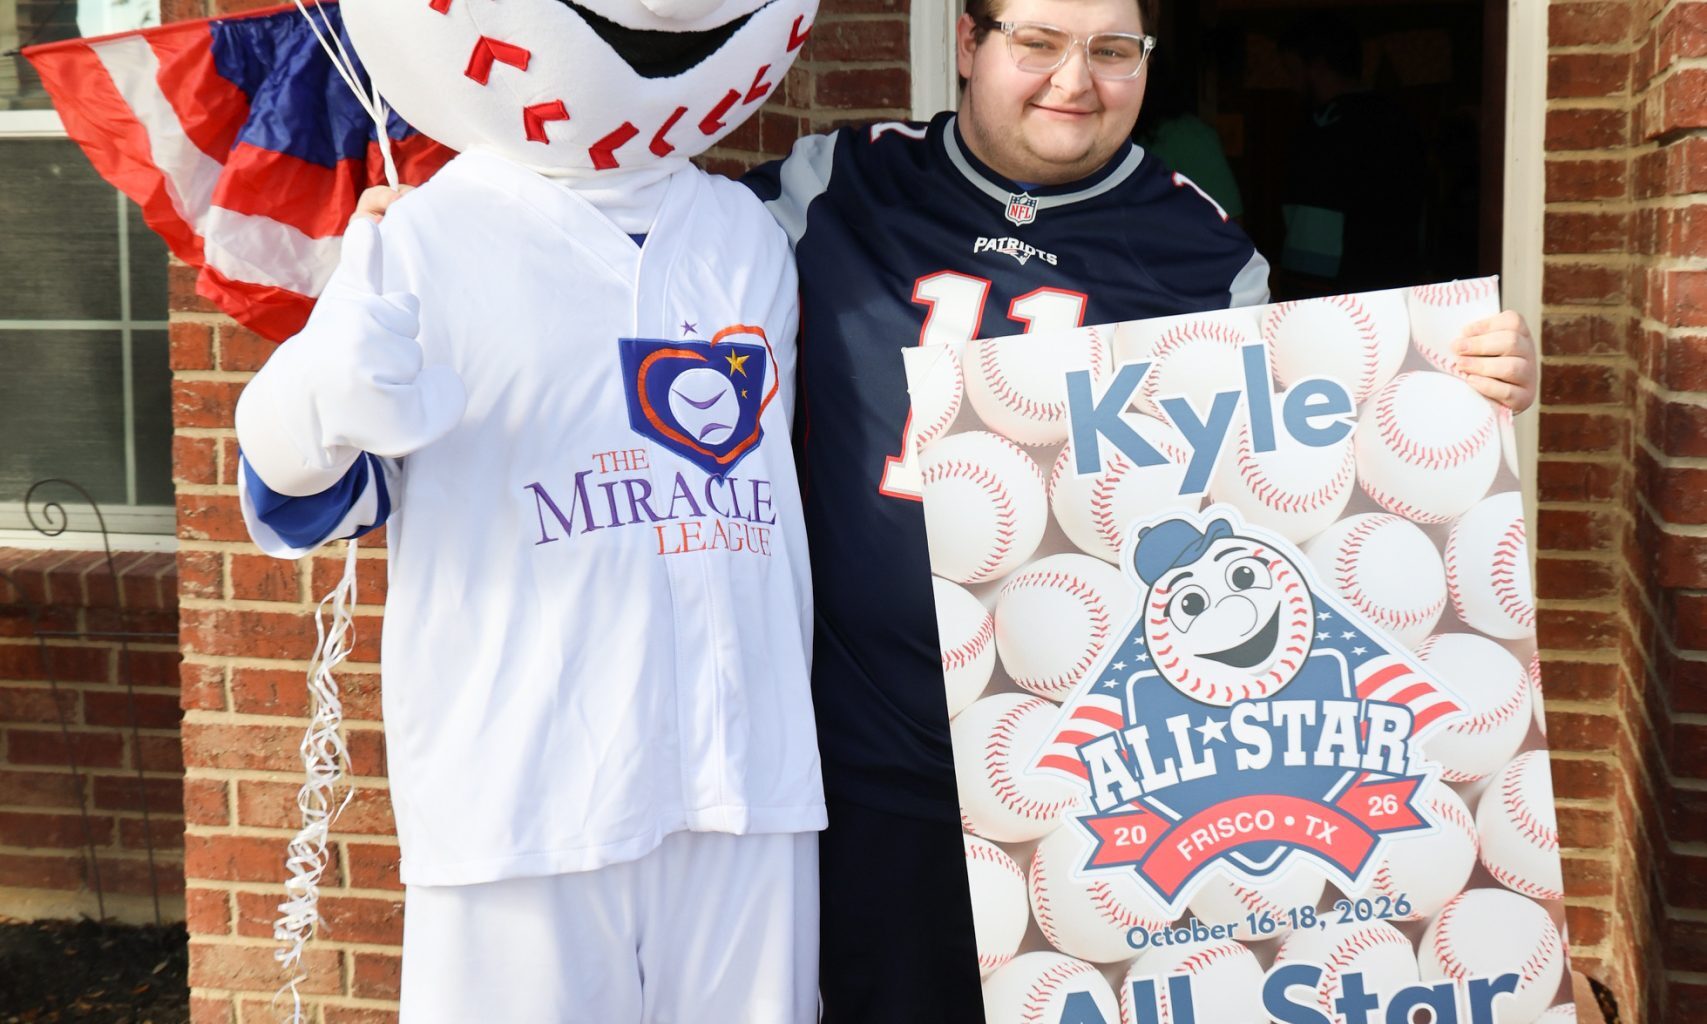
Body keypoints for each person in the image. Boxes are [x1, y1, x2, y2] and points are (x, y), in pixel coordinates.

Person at [358, 2, 1539, 1019]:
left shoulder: (1203, 249)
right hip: (870, 763)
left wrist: (1453, 385)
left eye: (1115, 51)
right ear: (967, 44)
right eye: (1036, 41)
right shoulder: (837, 185)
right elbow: (624, 247)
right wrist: (432, 255)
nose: (1076, 81)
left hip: (1105, 784)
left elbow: (1296, 493)